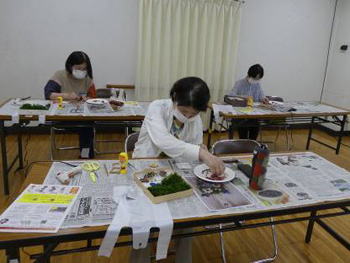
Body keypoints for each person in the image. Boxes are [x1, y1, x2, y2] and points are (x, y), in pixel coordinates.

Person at [132, 77, 225, 263]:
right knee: (143, 222)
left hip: (176, 170)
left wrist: (202, 152)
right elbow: (163, 141)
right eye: (184, 111)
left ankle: (183, 259)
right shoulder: (157, 108)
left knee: (187, 219)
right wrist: (200, 153)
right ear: (174, 97)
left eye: (193, 114)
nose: (188, 117)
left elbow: (192, 149)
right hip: (146, 169)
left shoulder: (195, 121)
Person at [44, 51, 96, 158]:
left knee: (87, 126)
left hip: (82, 117)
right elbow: (48, 94)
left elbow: (93, 98)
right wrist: (67, 95)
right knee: (86, 126)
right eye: (78, 68)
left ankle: (85, 156)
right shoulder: (60, 75)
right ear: (70, 65)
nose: (81, 71)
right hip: (62, 116)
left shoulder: (87, 79)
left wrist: (87, 99)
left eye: (84, 69)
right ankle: (86, 155)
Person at [228, 64, 269, 140]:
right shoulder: (239, 83)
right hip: (241, 113)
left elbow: (261, 95)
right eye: (254, 78)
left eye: (258, 79)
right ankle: (244, 145)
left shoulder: (257, 84)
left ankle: (252, 145)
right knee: (244, 126)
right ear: (249, 74)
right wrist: (242, 96)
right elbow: (231, 95)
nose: (255, 80)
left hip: (253, 113)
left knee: (255, 127)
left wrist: (264, 99)